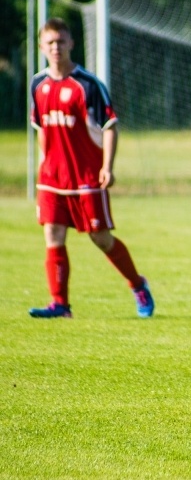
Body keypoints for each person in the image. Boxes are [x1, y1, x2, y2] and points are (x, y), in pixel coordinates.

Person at [28, 17, 155, 319]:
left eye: (61, 41)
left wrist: (107, 166)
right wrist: (46, 163)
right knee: (53, 234)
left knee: (101, 238)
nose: (56, 47)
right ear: (41, 47)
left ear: (71, 43)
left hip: (86, 176)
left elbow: (110, 126)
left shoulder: (87, 84)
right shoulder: (37, 84)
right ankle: (60, 304)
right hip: (52, 178)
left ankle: (137, 284)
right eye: (50, 42)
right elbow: (41, 129)